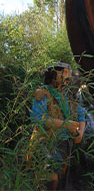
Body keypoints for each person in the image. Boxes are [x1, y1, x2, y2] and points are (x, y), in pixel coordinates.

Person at [30, 62, 86, 190]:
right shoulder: (42, 93)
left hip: (65, 144)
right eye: (65, 73)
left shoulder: (66, 96)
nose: (68, 77)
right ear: (55, 74)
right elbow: (37, 118)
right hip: (47, 141)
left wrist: (80, 132)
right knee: (50, 177)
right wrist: (65, 125)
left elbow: (81, 114)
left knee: (60, 178)